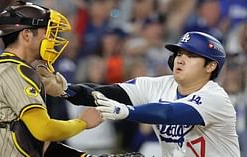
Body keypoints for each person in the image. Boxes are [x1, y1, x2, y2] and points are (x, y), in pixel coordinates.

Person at [65, 31, 240, 156]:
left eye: (191, 55)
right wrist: (67, 90)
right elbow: (109, 93)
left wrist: (126, 111)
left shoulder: (216, 98)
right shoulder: (158, 85)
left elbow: (168, 113)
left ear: (210, 66)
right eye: (179, 53)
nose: (180, 58)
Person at [0, 1, 103, 157]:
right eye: (47, 33)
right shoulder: (13, 71)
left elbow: (37, 143)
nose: (52, 39)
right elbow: (43, 130)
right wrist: (82, 123)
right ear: (26, 35)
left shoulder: (9, 67)